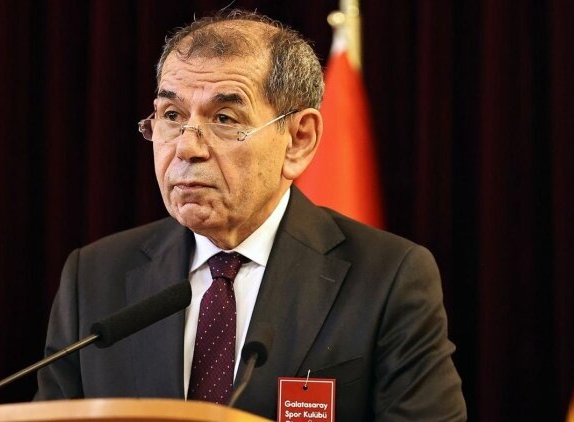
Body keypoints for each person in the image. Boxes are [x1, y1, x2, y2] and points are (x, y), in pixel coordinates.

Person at [36, 9, 466, 421]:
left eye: (224, 118)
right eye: (172, 116)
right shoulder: (94, 277)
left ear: (298, 140)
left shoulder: (388, 278)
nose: (186, 147)